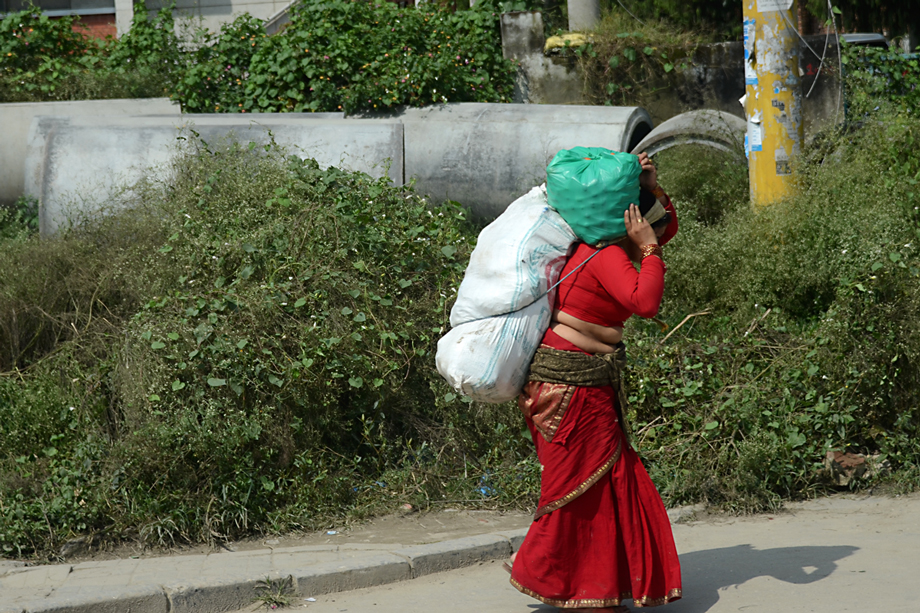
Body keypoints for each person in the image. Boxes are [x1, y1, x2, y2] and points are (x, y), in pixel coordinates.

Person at [507, 152, 682, 612]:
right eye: (645, 216)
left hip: (580, 381)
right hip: (570, 386)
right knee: (581, 484)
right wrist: (648, 250)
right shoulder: (603, 255)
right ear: (628, 223)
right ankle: (544, 570)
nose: (655, 226)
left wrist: (650, 185)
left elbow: (667, 227)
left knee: (605, 481)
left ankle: (596, 585)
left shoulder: (604, 248)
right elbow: (645, 301)